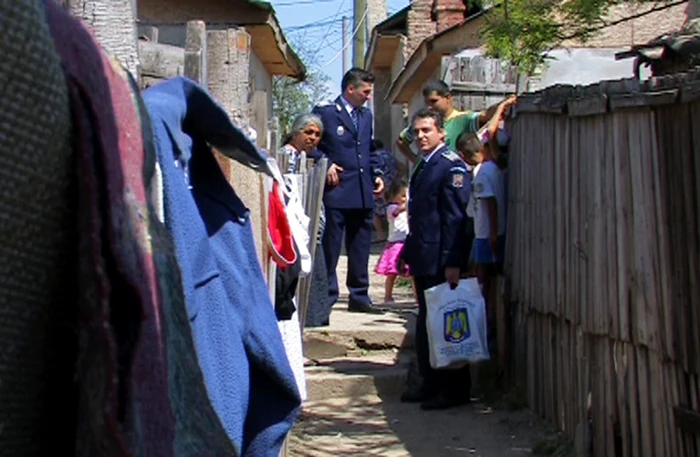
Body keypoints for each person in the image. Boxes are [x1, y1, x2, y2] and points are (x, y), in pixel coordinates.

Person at [398, 108, 471, 411]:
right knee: (429, 323)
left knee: (447, 324)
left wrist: (453, 262)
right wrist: (407, 251)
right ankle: (430, 383)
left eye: (426, 130)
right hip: (424, 255)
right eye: (416, 132)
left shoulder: (451, 167)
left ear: (442, 132)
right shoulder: (425, 165)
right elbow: (421, 216)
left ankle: (453, 390)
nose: (420, 137)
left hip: (442, 259)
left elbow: (456, 219)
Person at [312, 68, 385, 314]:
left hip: (363, 192)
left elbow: (369, 149)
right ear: (350, 89)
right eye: (365, 92)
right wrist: (326, 163)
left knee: (360, 246)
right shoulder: (326, 113)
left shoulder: (365, 116)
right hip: (337, 191)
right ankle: (328, 297)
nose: (368, 97)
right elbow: (309, 143)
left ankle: (359, 296)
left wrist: (377, 175)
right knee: (331, 246)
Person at [456, 95, 516, 287]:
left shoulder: (482, 173)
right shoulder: (497, 166)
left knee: (482, 273)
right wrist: (502, 107)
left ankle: (482, 306)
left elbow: (490, 203)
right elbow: (490, 131)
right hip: (494, 229)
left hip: (485, 231)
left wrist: (491, 233)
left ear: (463, 155)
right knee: (485, 270)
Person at [395, 80, 512, 164]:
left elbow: (486, 115)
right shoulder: (423, 124)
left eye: (434, 101)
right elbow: (401, 141)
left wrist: (503, 104)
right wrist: (415, 160)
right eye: (427, 103)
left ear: (447, 98)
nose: (429, 107)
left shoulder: (463, 120)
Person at [374, 179, 409, 304]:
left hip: (406, 241)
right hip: (395, 243)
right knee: (392, 272)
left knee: (411, 272)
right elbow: (396, 212)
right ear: (394, 196)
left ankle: (417, 298)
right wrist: (408, 205)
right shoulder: (391, 208)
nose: (405, 199)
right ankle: (388, 295)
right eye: (403, 196)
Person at [371, 139, 398, 242]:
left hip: (380, 187)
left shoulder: (375, 157)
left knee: (374, 211)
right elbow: (401, 167)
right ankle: (392, 233)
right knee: (391, 209)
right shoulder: (390, 155)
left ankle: (380, 234)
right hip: (392, 186)